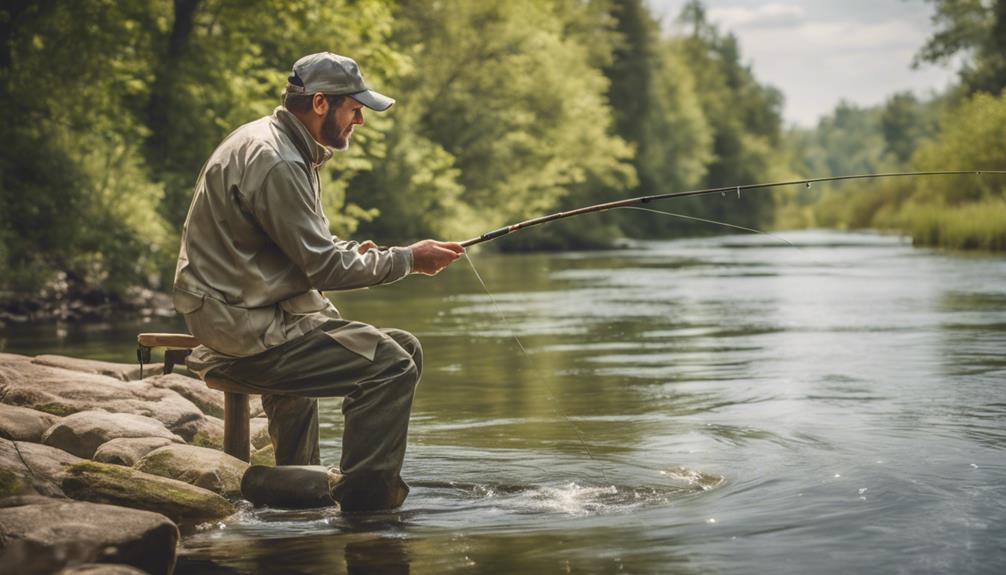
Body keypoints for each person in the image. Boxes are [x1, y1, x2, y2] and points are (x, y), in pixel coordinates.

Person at [172, 52, 464, 511]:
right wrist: (409, 259)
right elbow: (323, 267)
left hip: (248, 311)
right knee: (389, 364)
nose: (361, 120)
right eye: (355, 107)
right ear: (322, 103)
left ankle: (296, 484)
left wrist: (358, 253)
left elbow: (300, 248)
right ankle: (362, 501)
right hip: (242, 327)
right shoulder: (279, 161)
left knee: (404, 346)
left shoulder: (274, 143)